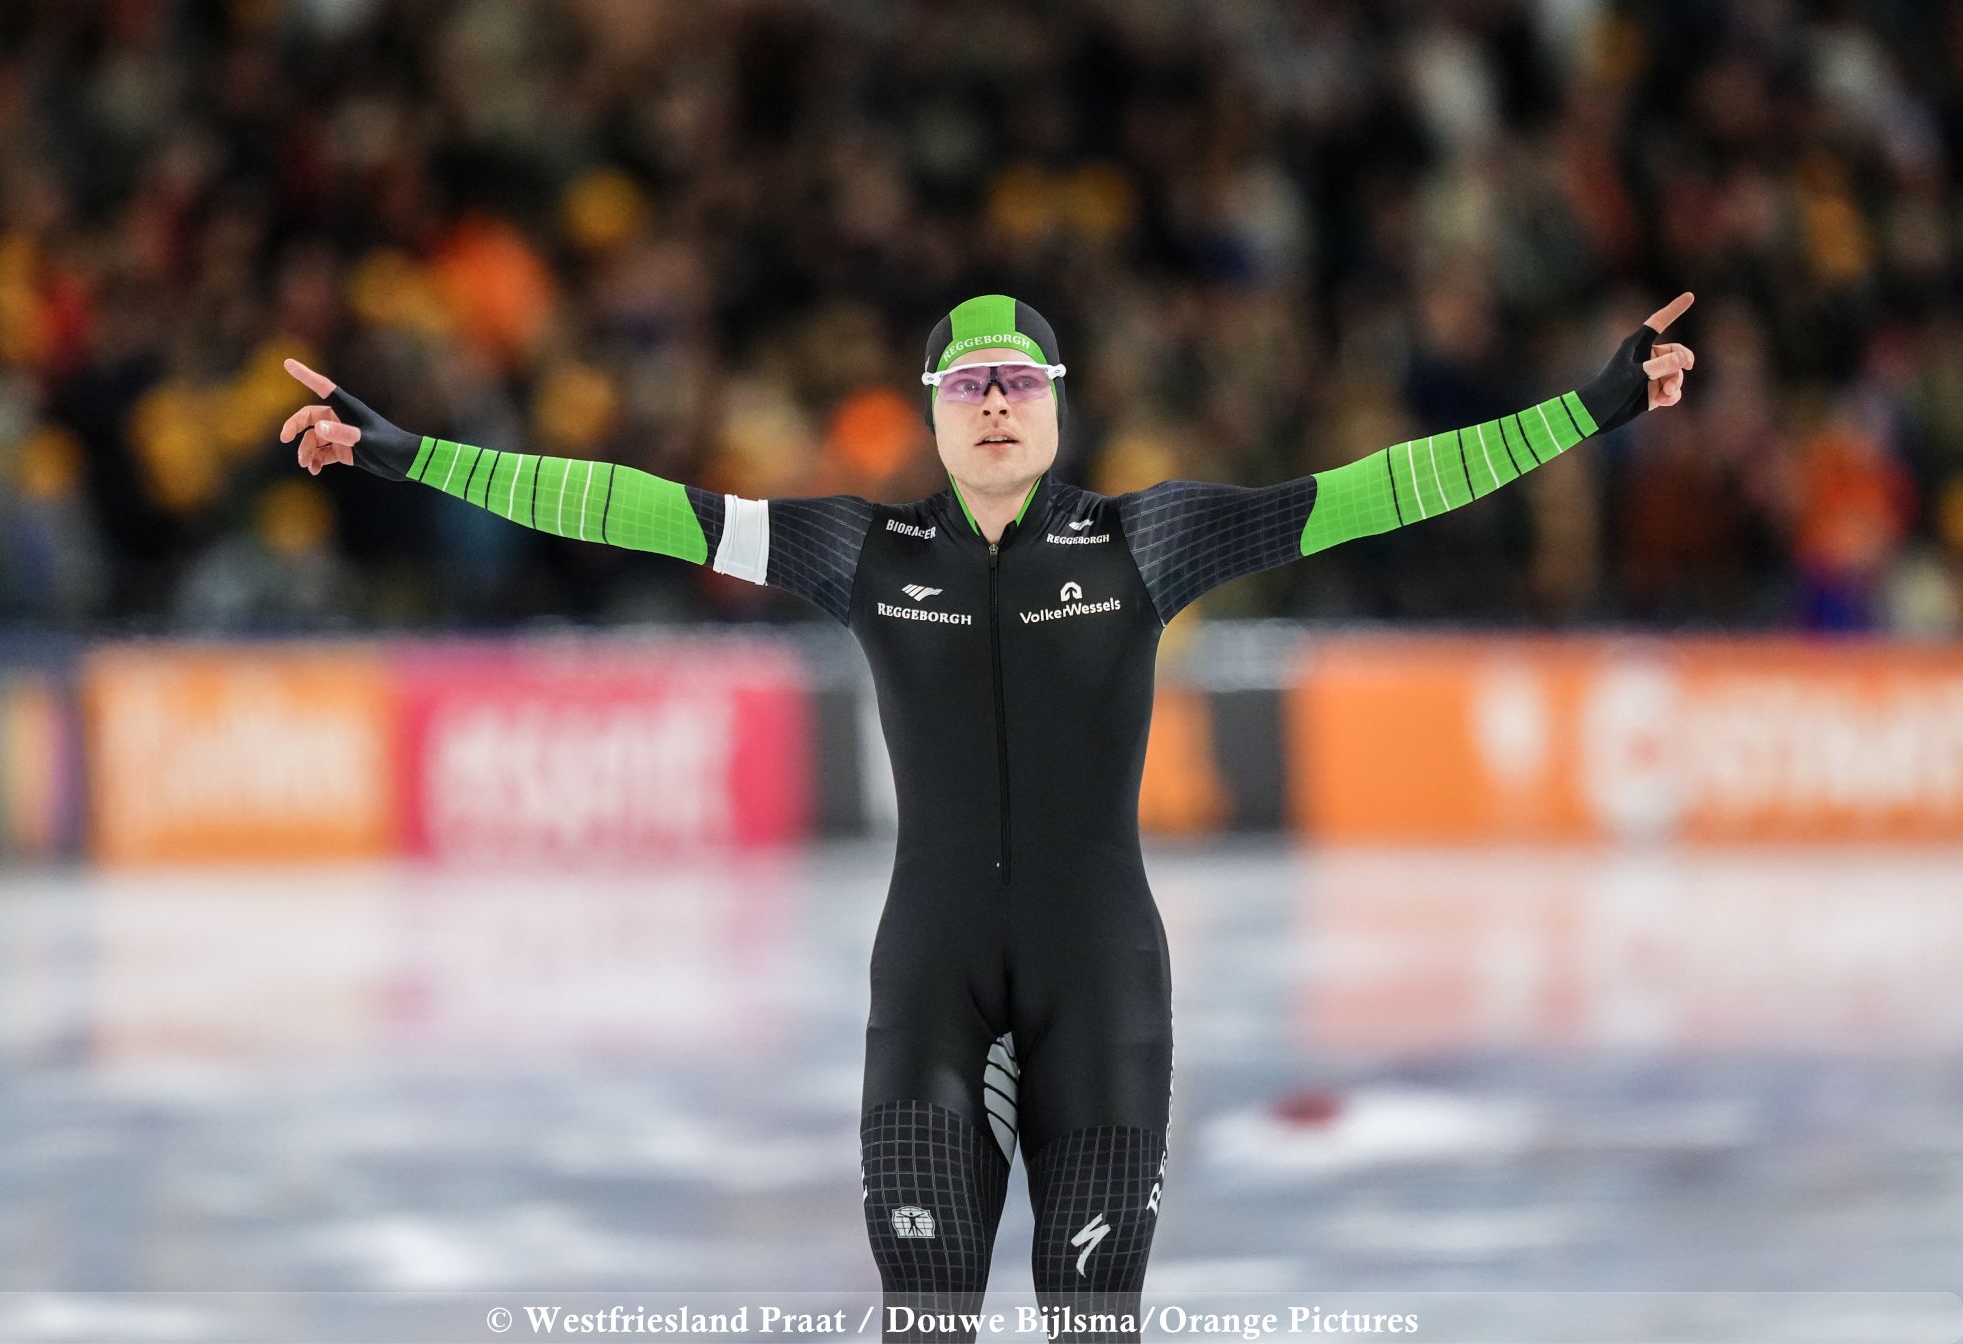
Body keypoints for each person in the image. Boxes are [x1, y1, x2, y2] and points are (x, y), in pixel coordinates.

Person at [280, 291, 1695, 1341]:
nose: (997, 402)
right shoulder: (861, 548)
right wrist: (414, 458)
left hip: (1103, 989)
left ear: (1059, 404)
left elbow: (1377, 492)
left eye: (1020, 380)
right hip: (931, 992)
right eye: (969, 385)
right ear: (934, 412)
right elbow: (637, 509)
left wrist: (1590, 409)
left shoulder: (1150, 538)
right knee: (925, 1319)